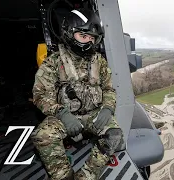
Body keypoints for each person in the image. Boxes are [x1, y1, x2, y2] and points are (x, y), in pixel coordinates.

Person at [30, 8, 123, 180]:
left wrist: (108, 109)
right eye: (83, 36)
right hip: (64, 116)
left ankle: (86, 175)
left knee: (115, 136)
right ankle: (64, 176)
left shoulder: (99, 62)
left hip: (94, 114)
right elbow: (40, 95)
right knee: (43, 136)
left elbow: (109, 89)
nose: (88, 42)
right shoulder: (54, 62)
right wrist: (62, 113)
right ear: (69, 33)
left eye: (92, 38)